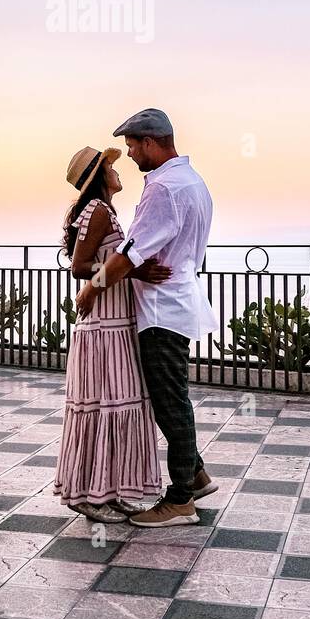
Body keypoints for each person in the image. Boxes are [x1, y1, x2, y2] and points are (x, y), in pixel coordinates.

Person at [78, 109, 218, 527]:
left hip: (159, 311)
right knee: (170, 397)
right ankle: (195, 474)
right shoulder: (194, 183)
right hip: (178, 301)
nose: (131, 153)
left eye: (134, 145)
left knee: (170, 403)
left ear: (153, 142)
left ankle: (179, 500)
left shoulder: (163, 188)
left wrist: (91, 288)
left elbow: (130, 254)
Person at [53, 144, 168, 523]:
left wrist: (131, 270)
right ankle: (88, 494)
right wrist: (133, 271)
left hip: (113, 322)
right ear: (99, 175)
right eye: (110, 166)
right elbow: (80, 266)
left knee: (115, 404)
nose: (118, 171)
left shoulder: (102, 211)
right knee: (105, 406)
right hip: (104, 324)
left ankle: (110, 490)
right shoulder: (98, 210)